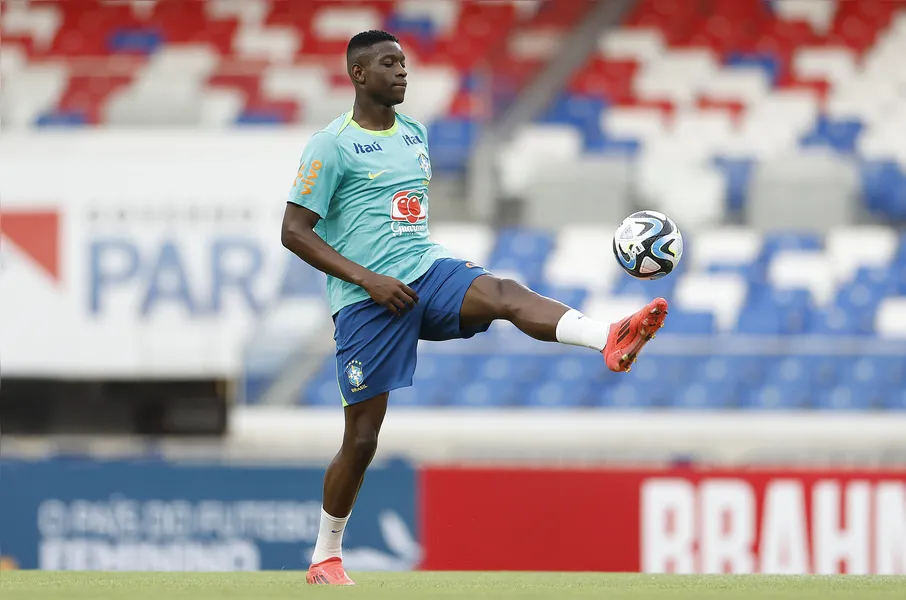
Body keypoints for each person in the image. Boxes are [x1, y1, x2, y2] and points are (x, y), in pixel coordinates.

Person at [281, 30, 668, 586]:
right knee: (362, 439)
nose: (402, 72)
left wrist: (407, 268)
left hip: (427, 271)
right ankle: (325, 554)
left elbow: (403, 217)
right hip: (367, 300)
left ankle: (608, 336)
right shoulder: (331, 145)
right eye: (389, 64)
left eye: (404, 63)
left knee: (505, 294)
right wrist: (368, 279)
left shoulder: (414, 133)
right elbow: (295, 232)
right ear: (359, 74)